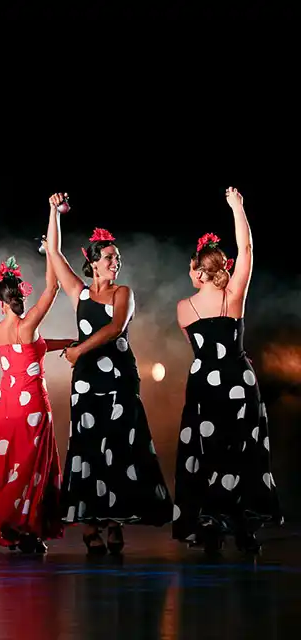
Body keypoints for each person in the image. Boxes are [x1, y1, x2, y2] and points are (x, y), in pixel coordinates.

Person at [45, 197, 172, 555]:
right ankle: (90, 525)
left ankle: (115, 522)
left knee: (118, 447)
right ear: (94, 264)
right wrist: (54, 212)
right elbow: (53, 253)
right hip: (86, 382)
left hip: (117, 378)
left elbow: (116, 328)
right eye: (110, 258)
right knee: (87, 448)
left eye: (118, 258)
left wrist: (79, 349)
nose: (116, 263)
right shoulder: (80, 292)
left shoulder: (123, 293)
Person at [172, 187, 282, 554]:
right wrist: (238, 207)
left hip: (205, 384)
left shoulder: (184, 308)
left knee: (209, 453)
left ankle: (210, 526)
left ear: (198, 270)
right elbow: (247, 250)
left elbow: (199, 351)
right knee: (244, 452)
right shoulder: (232, 296)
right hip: (238, 379)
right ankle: (244, 527)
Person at [0, 237, 71, 554]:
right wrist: (51, 253)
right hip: (32, 402)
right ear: (20, 298)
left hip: (7, 402)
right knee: (34, 465)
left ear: (2, 303)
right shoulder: (28, 324)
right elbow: (53, 289)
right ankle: (28, 527)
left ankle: (11, 522)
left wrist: (70, 343)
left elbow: (36, 347)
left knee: (13, 463)